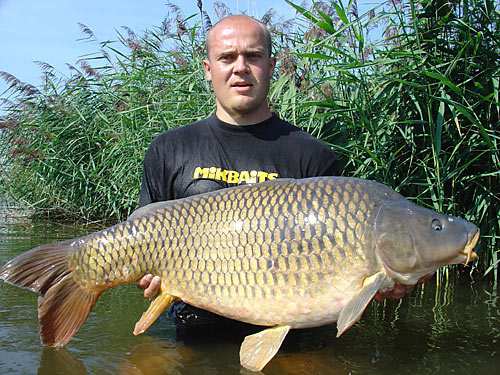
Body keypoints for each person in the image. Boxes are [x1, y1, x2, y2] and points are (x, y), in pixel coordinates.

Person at [137, 15, 339, 329]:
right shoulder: (168, 149)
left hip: (288, 334)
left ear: (271, 67)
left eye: (253, 56)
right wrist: (146, 274)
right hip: (191, 329)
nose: (240, 67)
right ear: (208, 69)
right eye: (227, 57)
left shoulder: (313, 155)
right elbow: (143, 234)